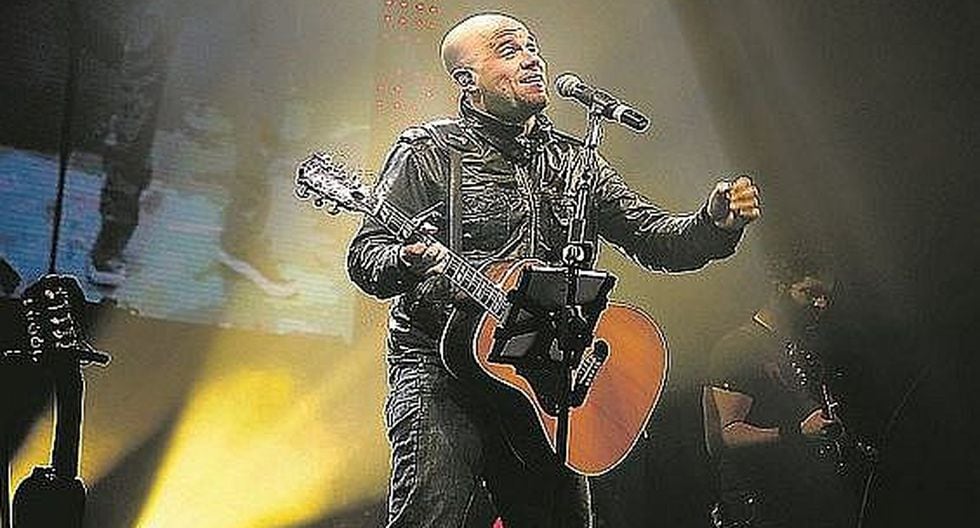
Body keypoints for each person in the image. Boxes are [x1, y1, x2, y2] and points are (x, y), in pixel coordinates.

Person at [347, 12, 760, 527]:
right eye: (509, 49)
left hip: (543, 375)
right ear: (467, 80)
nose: (532, 59)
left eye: (533, 47)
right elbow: (366, 256)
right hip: (441, 369)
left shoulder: (574, 161)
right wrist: (407, 260)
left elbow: (654, 239)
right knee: (431, 516)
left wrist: (714, 225)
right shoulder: (427, 152)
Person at [702, 252, 853, 527]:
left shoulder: (796, 346)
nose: (821, 303)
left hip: (801, 502)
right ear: (779, 288)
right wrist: (798, 432)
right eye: (810, 292)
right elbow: (724, 436)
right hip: (759, 509)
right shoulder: (740, 347)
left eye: (826, 296)